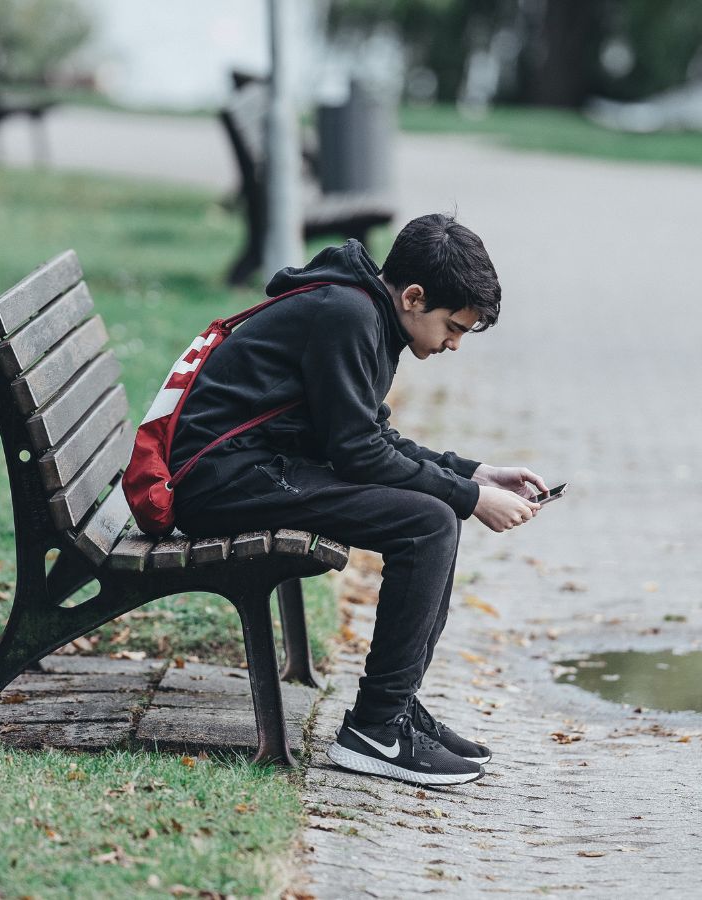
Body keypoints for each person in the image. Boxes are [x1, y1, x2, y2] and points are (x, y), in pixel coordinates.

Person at [171, 213, 547, 786]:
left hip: (255, 469)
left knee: (434, 516)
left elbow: (371, 436)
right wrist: (470, 497)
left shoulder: (368, 313)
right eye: (453, 327)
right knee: (429, 523)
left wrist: (477, 474)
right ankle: (375, 730)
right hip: (220, 480)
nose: (453, 344)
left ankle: (393, 709)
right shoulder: (347, 315)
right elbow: (358, 453)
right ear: (415, 297)